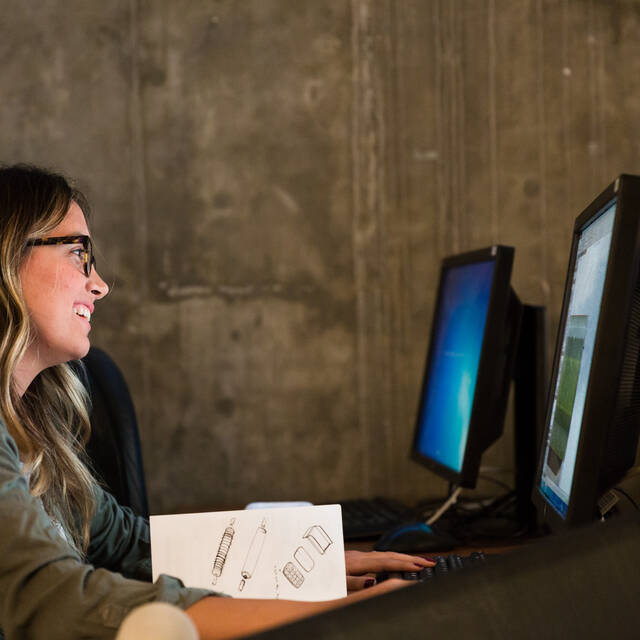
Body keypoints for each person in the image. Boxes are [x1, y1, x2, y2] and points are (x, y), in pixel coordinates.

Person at [0, 164, 432, 640]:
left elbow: (127, 542)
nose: (99, 284)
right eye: (79, 253)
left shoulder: (32, 422)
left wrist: (306, 565)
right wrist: (330, 616)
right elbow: (50, 598)